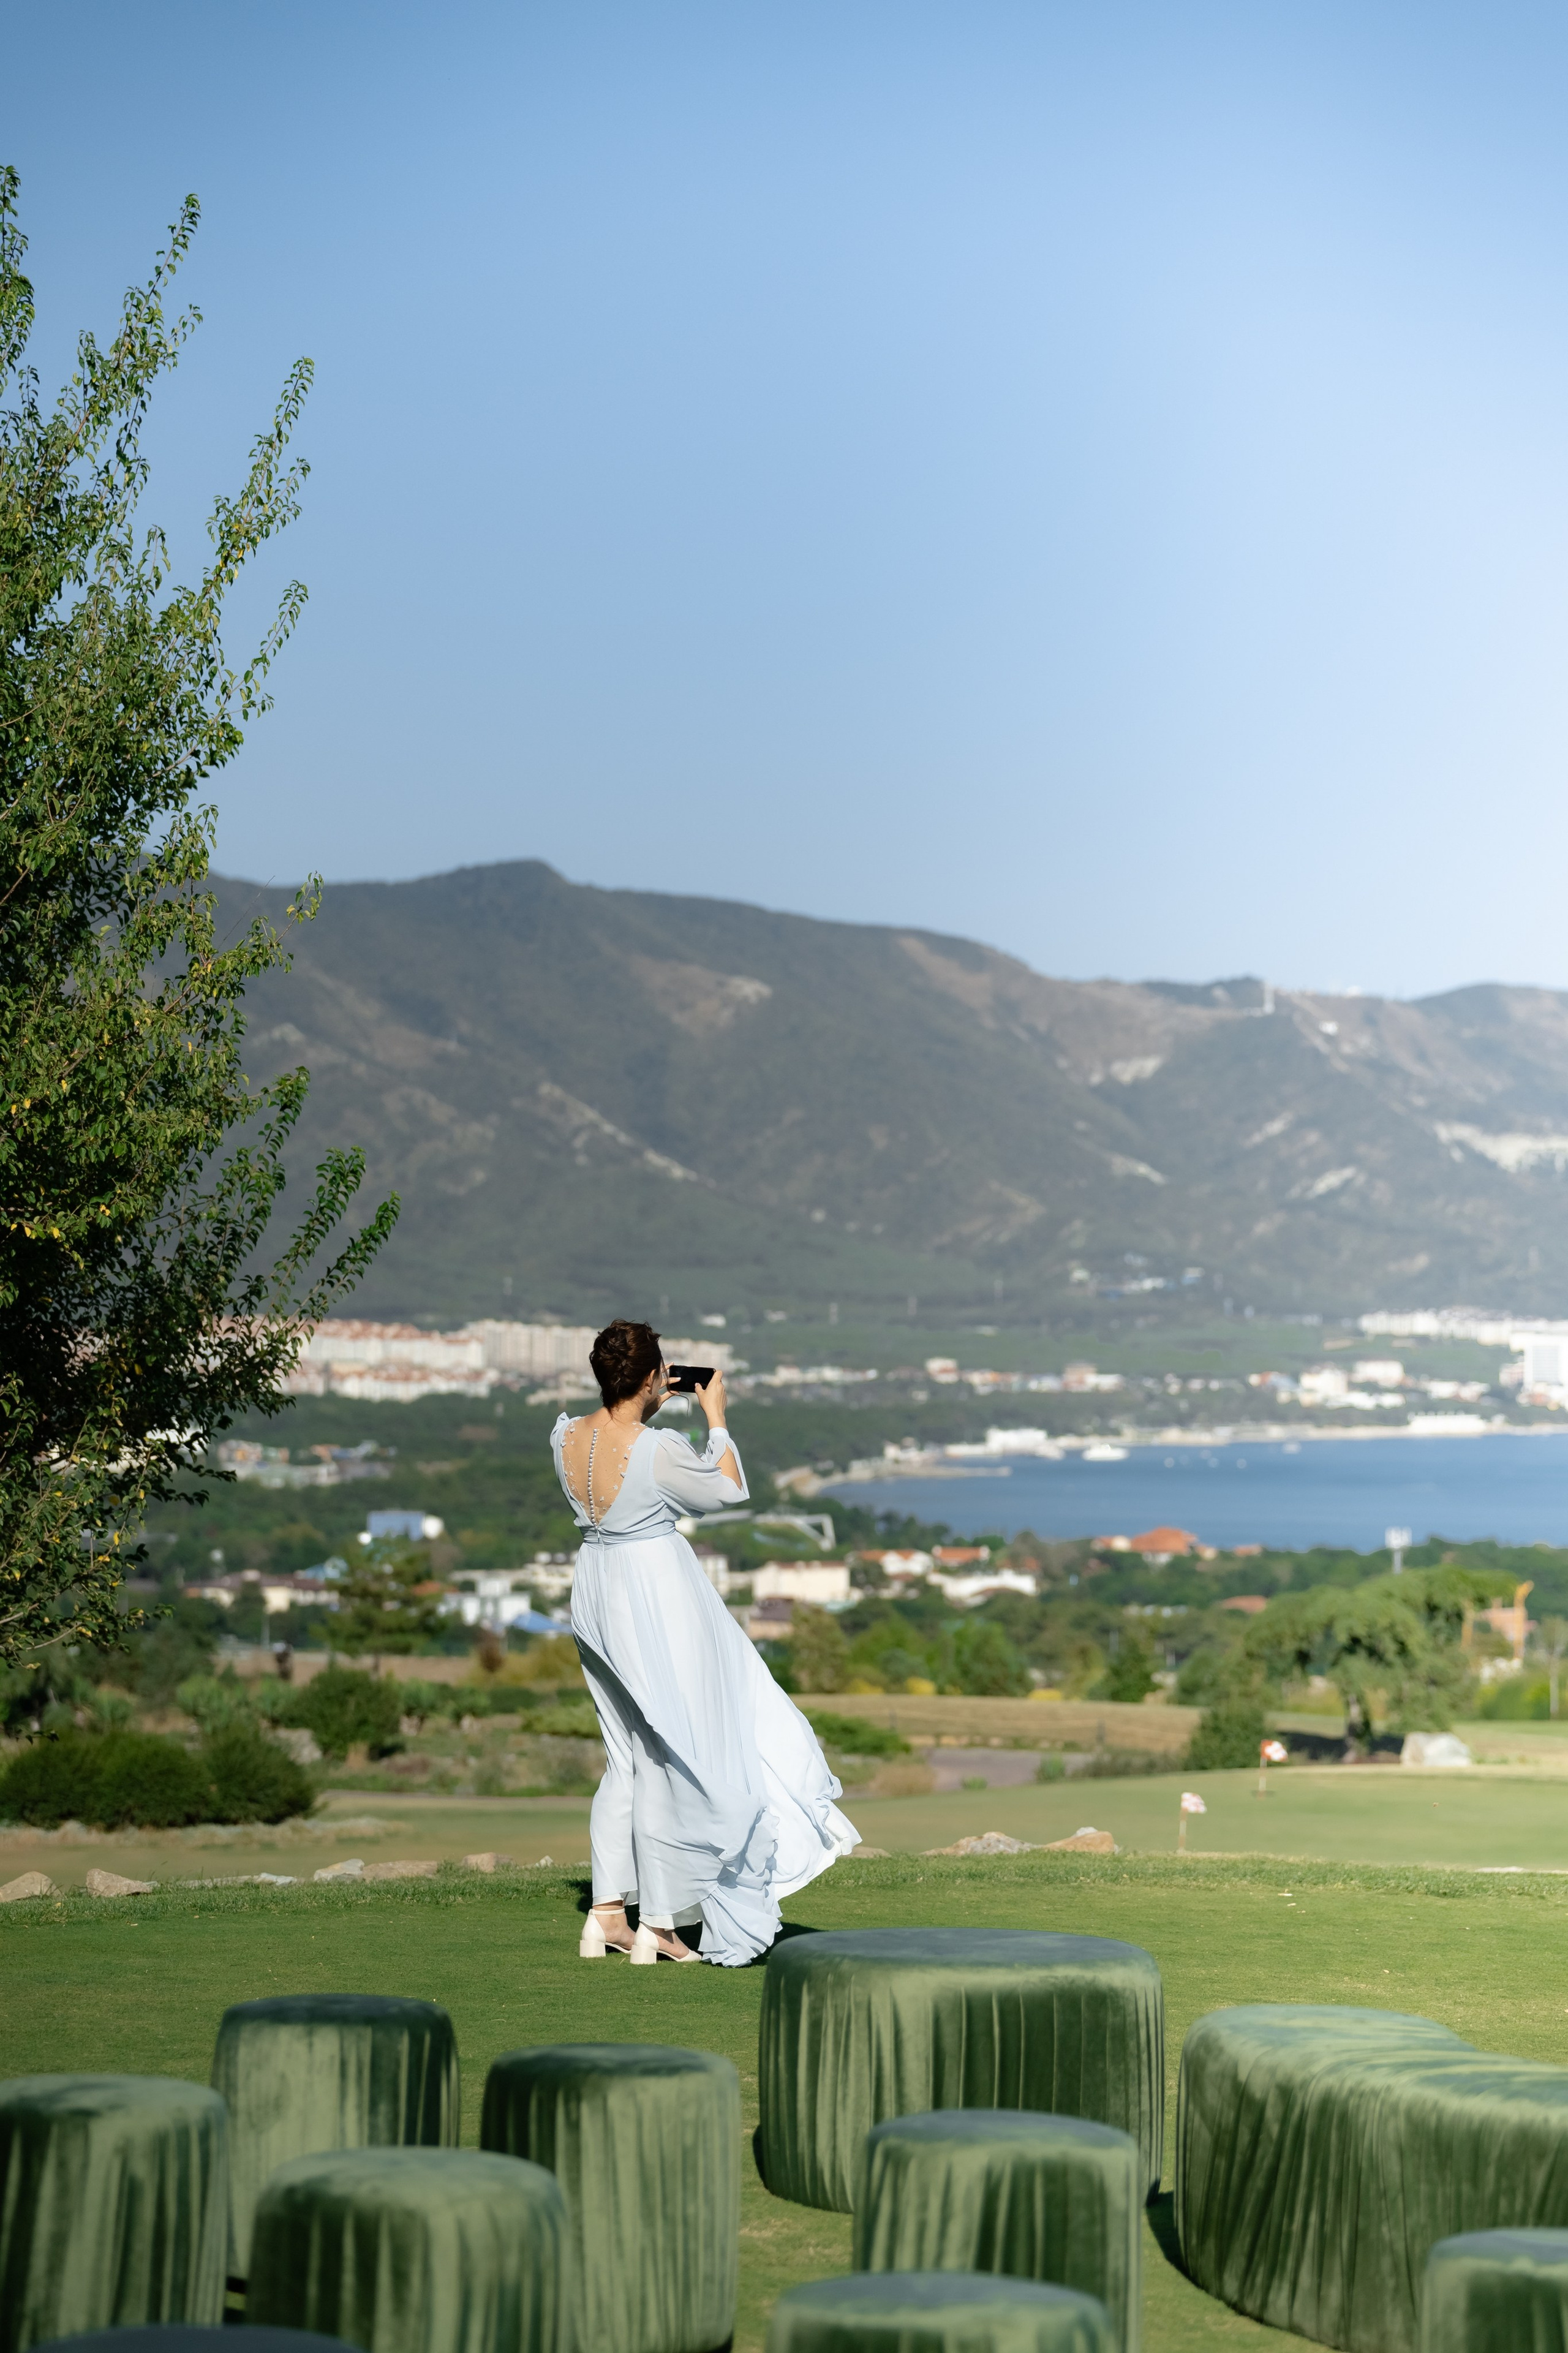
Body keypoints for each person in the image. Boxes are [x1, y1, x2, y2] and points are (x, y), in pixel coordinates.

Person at [551, 1318, 859, 1965]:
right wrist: (715, 1417)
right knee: (681, 1753)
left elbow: (614, 1456)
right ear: (652, 1376)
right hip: (655, 1597)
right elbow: (726, 1488)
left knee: (625, 1758)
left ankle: (608, 1916)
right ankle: (659, 1923)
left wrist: (645, 1403)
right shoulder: (658, 1446)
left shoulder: (566, 1437)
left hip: (596, 1590)